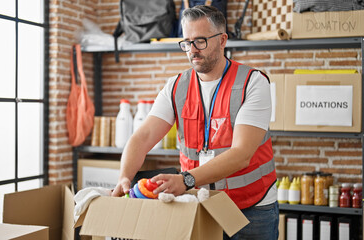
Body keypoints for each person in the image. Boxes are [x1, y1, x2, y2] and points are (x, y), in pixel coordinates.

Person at [111, 5, 279, 240]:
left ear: (222, 40)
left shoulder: (253, 82)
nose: (192, 50)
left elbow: (242, 154)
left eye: (200, 41)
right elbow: (143, 137)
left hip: (251, 207)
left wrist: (185, 180)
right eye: (186, 43)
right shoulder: (176, 86)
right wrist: (124, 177)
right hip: (199, 203)